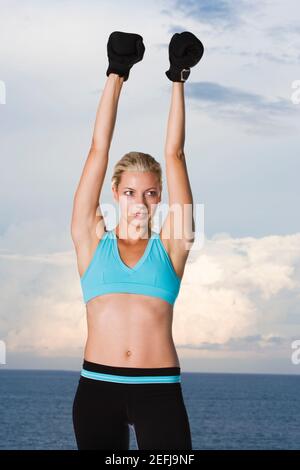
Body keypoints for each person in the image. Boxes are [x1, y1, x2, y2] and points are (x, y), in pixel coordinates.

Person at [71, 31, 204, 450]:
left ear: (159, 197)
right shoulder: (91, 240)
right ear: (115, 192)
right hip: (97, 389)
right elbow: (98, 150)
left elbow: (175, 155)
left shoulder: (172, 246)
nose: (140, 203)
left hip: (159, 391)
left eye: (150, 193)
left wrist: (177, 79)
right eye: (130, 192)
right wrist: (116, 74)